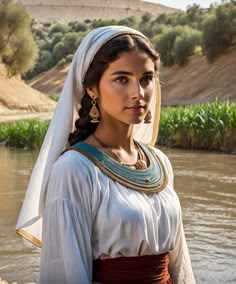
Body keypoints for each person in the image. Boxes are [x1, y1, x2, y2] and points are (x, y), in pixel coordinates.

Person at [16, 26, 196, 283]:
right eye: (122, 79)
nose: (138, 92)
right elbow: (68, 273)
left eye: (146, 79)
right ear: (92, 89)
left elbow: (181, 263)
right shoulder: (74, 169)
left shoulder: (160, 163)